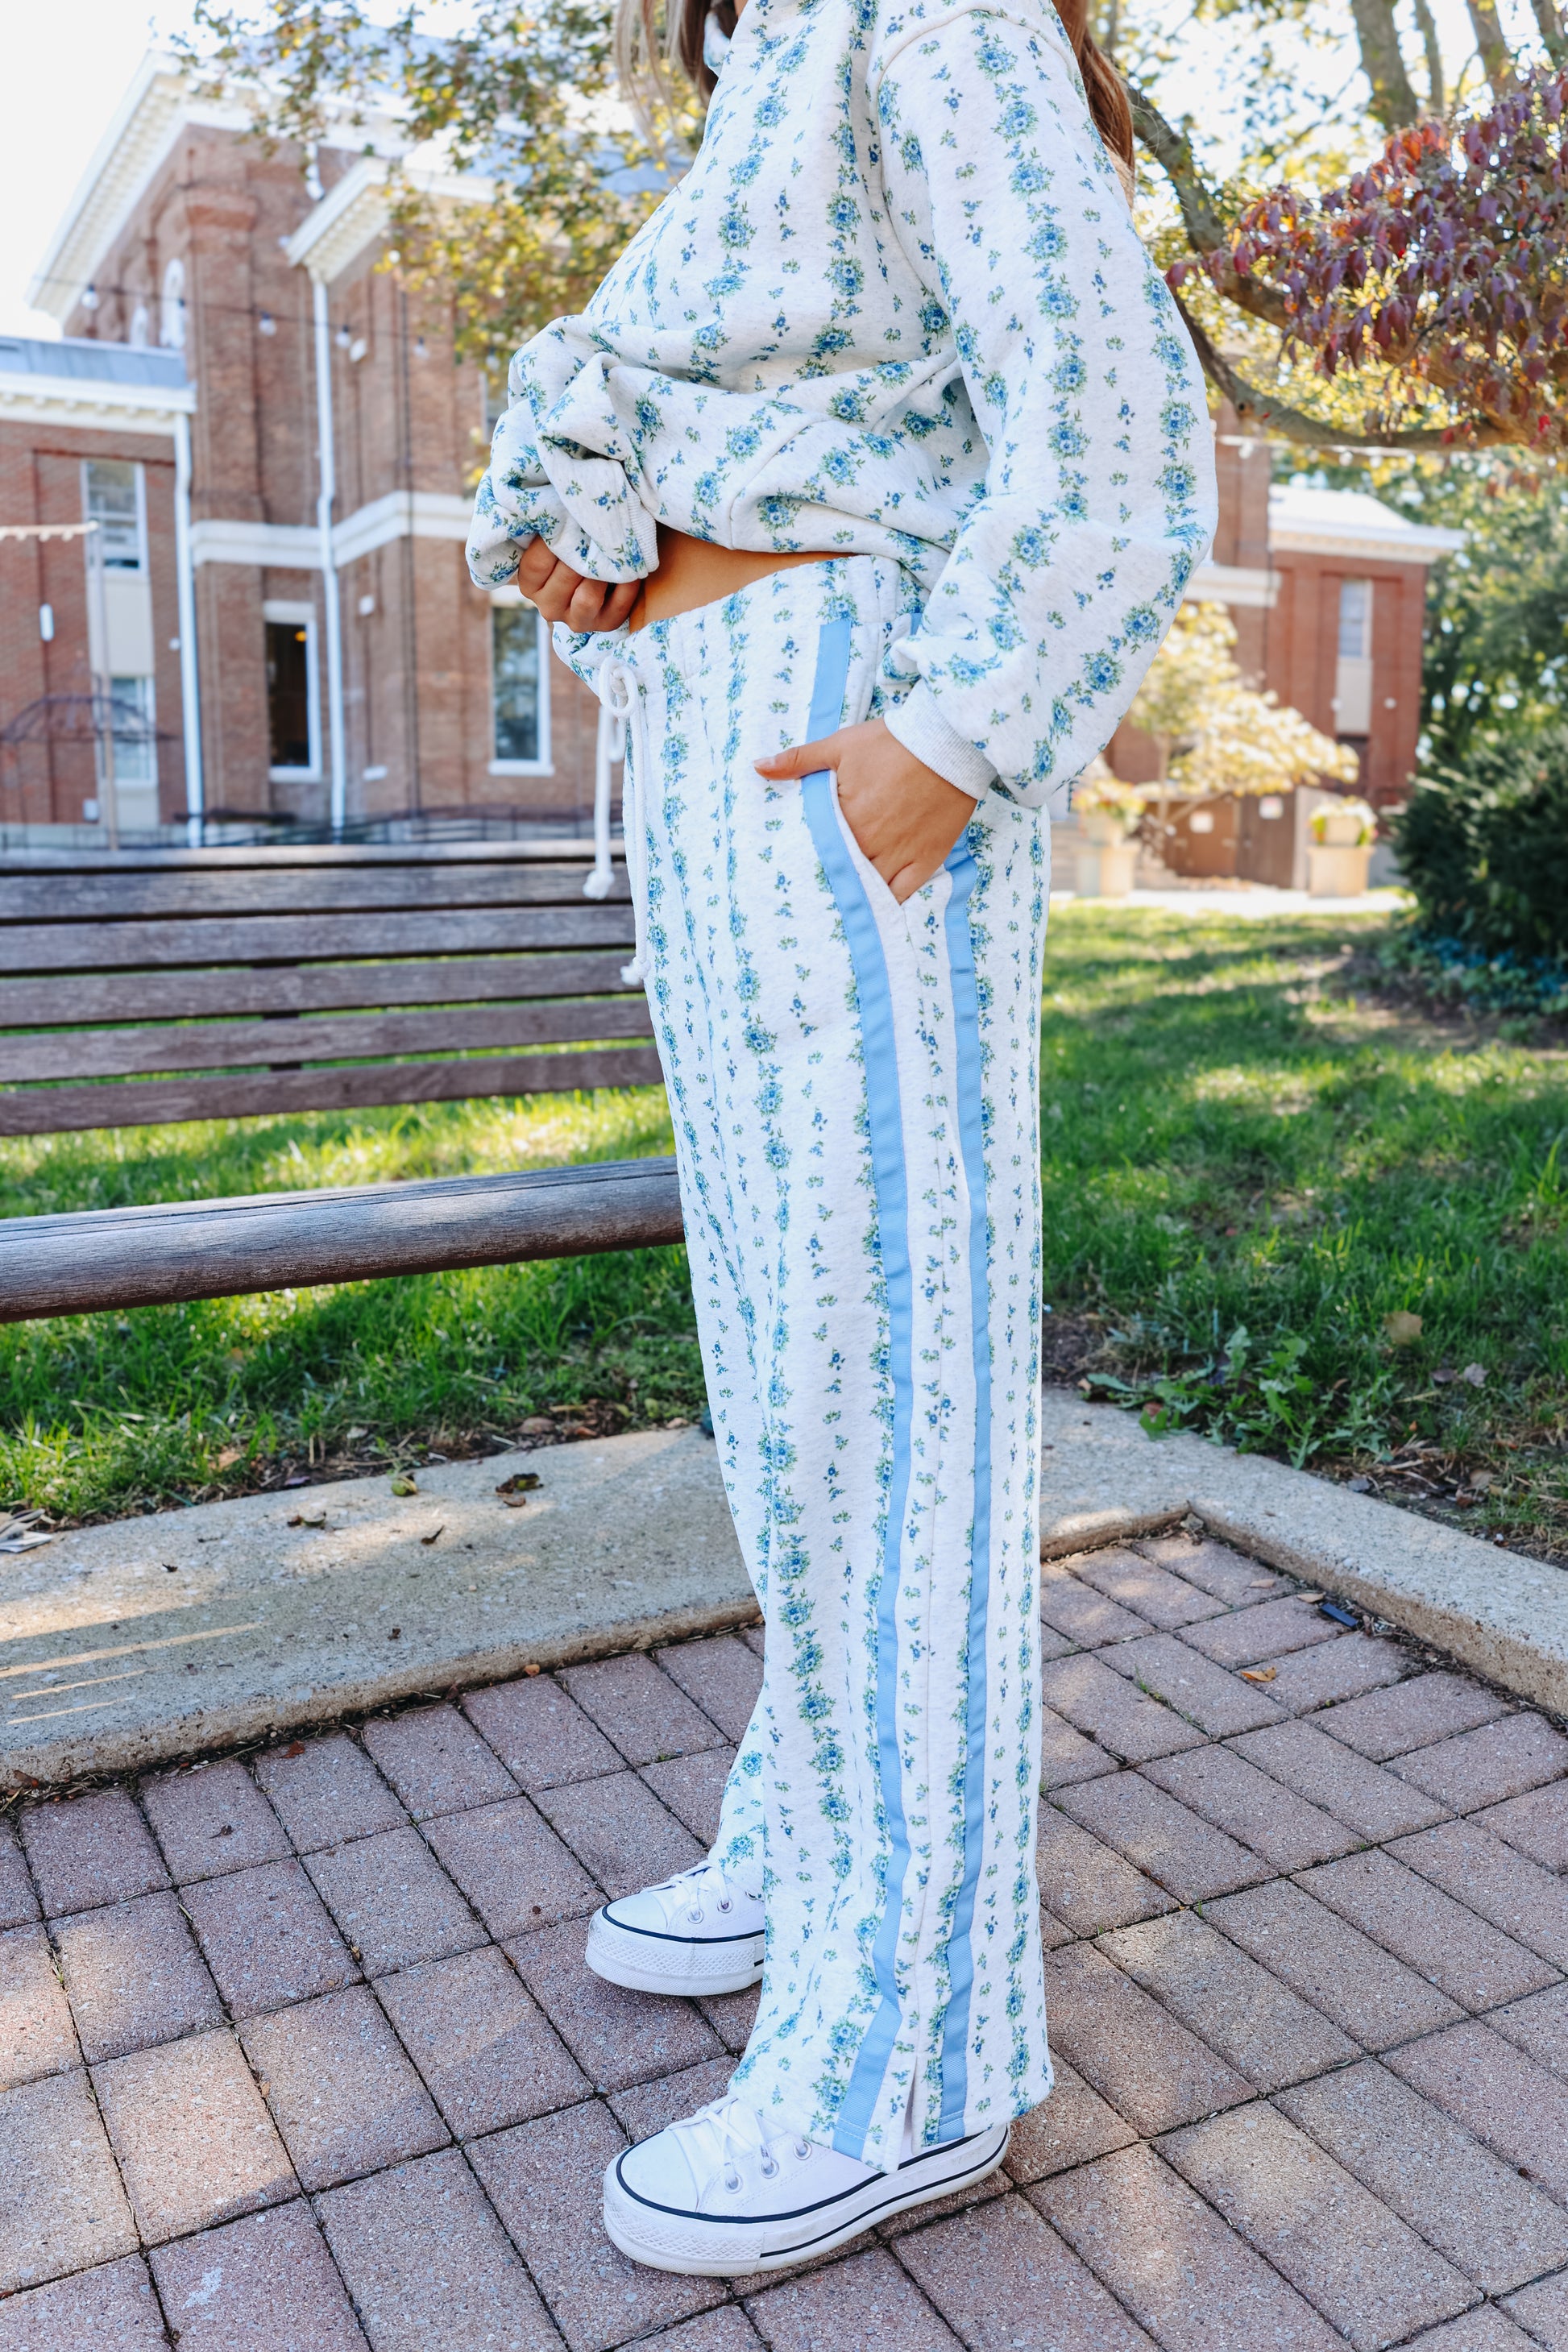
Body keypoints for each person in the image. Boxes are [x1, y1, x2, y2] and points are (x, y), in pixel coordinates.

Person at [467, 0, 1215, 2277]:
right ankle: (813, 1832)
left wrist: (956, 728)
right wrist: (612, 567)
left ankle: (914, 2046)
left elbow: (1108, 423)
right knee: (782, 1375)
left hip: (849, 748)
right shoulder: (779, 47)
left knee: (881, 1396)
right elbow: (802, 425)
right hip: (726, 746)